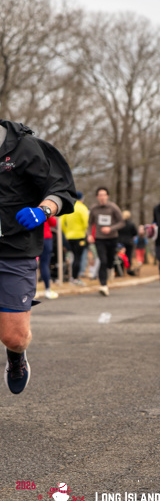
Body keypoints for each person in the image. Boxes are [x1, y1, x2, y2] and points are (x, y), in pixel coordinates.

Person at [0, 117, 76, 396]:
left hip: (15, 251)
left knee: (14, 337)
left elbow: (60, 189)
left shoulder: (24, 147)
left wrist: (42, 211)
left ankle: (16, 357)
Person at [87, 187, 125, 296]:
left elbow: (121, 222)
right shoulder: (94, 209)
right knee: (102, 260)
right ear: (97, 197)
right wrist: (89, 235)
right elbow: (90, 223)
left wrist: (111, 228)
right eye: (100, 195)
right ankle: (103, 285)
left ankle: (110, 269)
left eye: (104, 195)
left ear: (107, 196)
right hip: (99, 239)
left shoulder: (113, 207)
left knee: (109, 260)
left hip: (112, 238)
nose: (102, 197)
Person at [59, 191, 89, 285]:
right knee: (78, 258)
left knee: (74, 256)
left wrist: (67, 233)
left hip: (70, 237)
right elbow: (86, 222)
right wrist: (83, 231)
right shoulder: (82, 208)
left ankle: (72, 277)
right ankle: (75, 278)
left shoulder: (69, 207)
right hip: (80, 236)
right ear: (82, 199)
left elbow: (61, 222)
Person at [36, 215, 59, 300]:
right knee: (45, 264)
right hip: (46, 238)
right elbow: (53, 223)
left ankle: (32, 291)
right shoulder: (44, 208)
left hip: (33, 238)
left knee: (32, 264)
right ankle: (47, 290)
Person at [118, 210, 139, 277]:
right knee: (128, 256)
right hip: (129, 242)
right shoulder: (131, 224)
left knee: (120, 256)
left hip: (120, 242)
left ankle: (121, 270)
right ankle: (128, 269)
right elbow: (135, 233)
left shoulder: (120, 224)